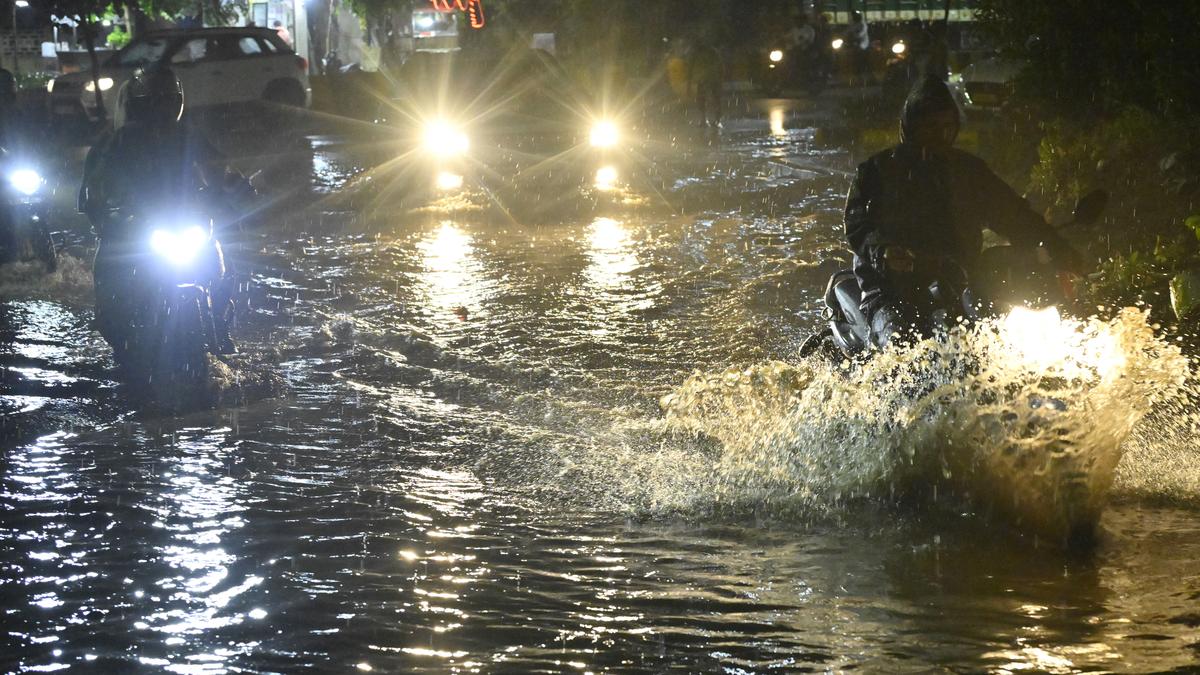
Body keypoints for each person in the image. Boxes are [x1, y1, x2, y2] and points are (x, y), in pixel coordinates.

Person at [843, 76, 1082, 348]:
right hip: (893, 289)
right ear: (911, 127)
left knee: (996, 336)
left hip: (961, 281)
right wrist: (884, 252)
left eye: (947, 127)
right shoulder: (876, 172)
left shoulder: (969, 172)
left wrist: (1058, 248)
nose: (940, 135)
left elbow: (1015, 215)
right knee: (901, 348)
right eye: (930, 127)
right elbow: (857, 225)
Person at [80, 65, 248, 356]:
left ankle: (220, 325)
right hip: (136, 227)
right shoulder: (115, 142)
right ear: (138, 105)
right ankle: (117, 323)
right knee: (110, 263)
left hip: (186, 222)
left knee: (222, 263)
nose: (160, 109)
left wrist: (234, 187)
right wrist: (107, 209)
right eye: (153, 102)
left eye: (166, 101)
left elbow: (218, 167)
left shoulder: (189, 135)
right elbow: (95, 187)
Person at [687, 38, 723, 131]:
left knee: (703, 99)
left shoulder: (698, 53)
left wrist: (689, 83)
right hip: (711, 79)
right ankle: (716, 120)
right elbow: (720, 65)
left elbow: (690, 68)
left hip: (705, 79)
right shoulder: (712, 52)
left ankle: (707, 119)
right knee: (714, 99)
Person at [845, 10, 871, 85]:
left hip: (862, 44)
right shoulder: (854, 24)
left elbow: (860, 34)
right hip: (855, 44)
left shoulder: (863, 24)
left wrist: (852, 35)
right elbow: (846, 32)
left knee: (861, 60)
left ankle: (863, 76)